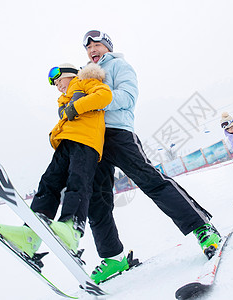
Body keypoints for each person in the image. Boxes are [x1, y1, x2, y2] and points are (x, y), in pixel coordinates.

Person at [81, 30, 221, 284]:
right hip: (93, 140)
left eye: (97, 45)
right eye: (88, 47)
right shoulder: (85, 75)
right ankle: (113, 257)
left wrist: (96, 100)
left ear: (108, 47)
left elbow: (128, 98)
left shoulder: (119, 66)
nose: (92, 50)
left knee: (150, 181)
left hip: (118, 133)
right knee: (97, 198)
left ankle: (202, 228)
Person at [0, 63, 112, 260]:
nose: (57, 85)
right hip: (66, 143)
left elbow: (104, 96)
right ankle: (31, 234)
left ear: (70, 75)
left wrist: (75, 107)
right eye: (55, 83)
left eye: (59, 80)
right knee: (48, 182)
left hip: (86, 141)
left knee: (77, 182)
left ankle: (71, 229)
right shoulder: (64, 99)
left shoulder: (85, 81)